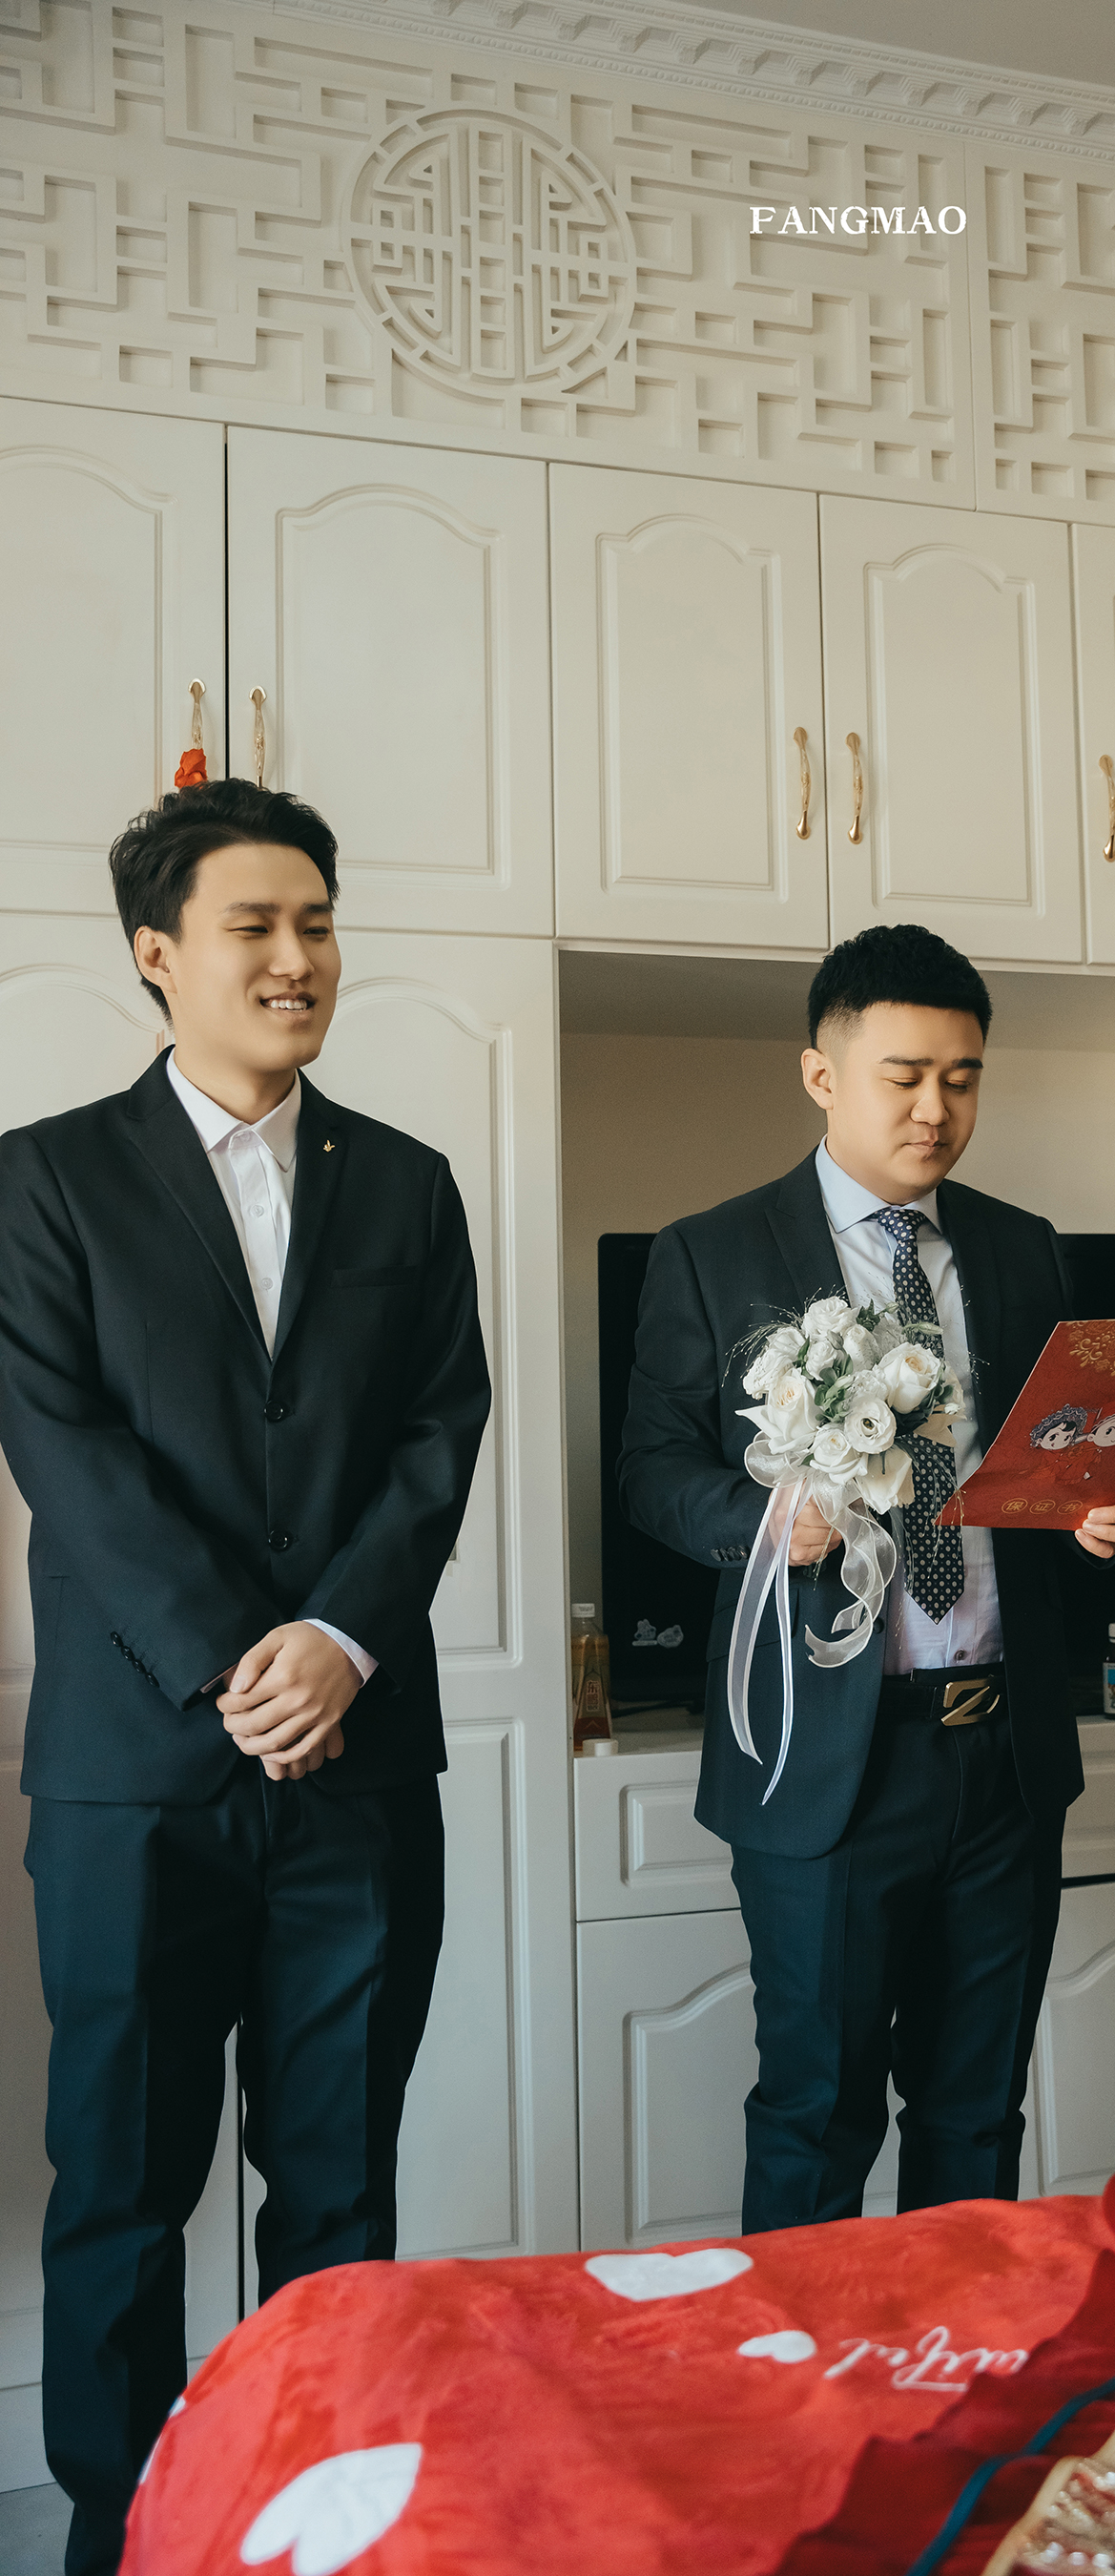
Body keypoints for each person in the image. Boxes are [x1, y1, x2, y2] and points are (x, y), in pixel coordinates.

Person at [0, 778, 491, 2576]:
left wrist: (340, 1641)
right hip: (132, 1778)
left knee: (341, 2176)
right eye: (255, 927)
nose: (300, 959)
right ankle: (121, 2532)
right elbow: (64, 1452)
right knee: (121, 2186)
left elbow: (437, 1436)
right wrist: (236, 1660)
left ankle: (321, 2518)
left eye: (319, 924)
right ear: (157, 954)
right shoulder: (41, 1180)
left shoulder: (410, 1184)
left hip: (361, 1770)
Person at [619, 924, 1115, 2233]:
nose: (936, 1109)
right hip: (827, 1759)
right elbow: (649, 1470)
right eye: (904, 1076)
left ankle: (960, 2357)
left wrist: (1094, 1512)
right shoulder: (712, 1251)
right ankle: (809, 2367)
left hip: (1005, 1751)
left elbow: (1056, 1457)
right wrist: (762, 1520)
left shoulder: (1024, 1247)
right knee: (818, 2113)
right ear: (822, 1076)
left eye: (963, 1079)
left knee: (979, 2113)